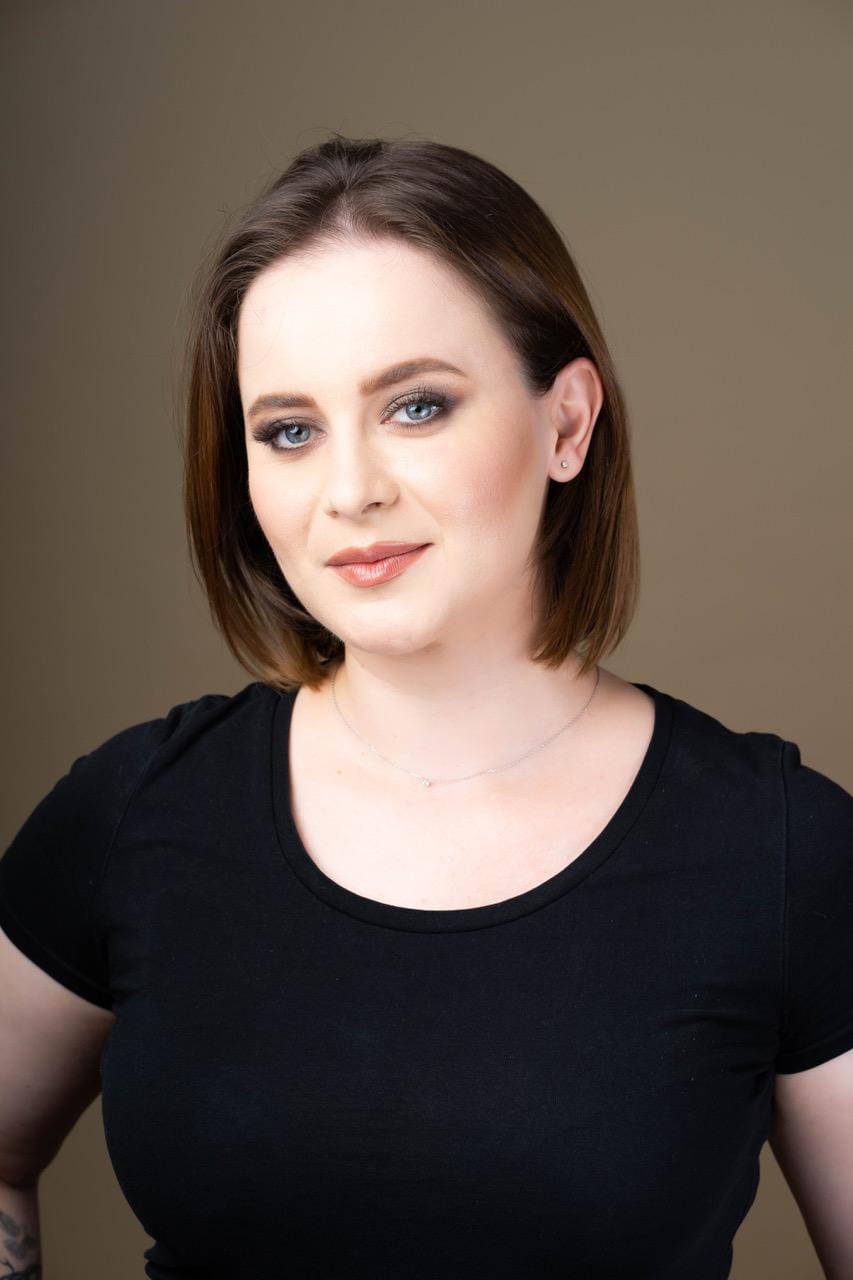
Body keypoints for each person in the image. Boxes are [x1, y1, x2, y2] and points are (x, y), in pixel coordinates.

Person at [1, 133, 851, 1280]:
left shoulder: (782, 850)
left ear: (566, 423)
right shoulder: (131, 813)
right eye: (289, 430)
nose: (350, 490)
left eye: (415, 406)